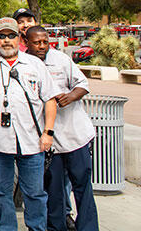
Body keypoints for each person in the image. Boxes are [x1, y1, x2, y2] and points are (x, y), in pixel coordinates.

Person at [0, 18, 59, 231]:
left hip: (32, 142)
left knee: (35, 193)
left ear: (19, 38)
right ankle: (6, 227)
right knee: (1, 191)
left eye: (11, 35)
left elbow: (50, 100)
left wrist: (48, 133)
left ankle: (37, 228)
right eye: (2, 36)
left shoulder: (34, 64)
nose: (7, 41)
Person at [27, 26, 99, 231]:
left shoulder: (61, 59)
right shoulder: (25, 64)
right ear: (27, 42)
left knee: (82, 187)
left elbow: (83, 84)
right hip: (50, 142)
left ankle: (88, 227)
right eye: (36, 42)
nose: (42, 46)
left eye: (45, 42)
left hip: (75, 136)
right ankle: (55, 227)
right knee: (54, 190)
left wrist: (71, 96)